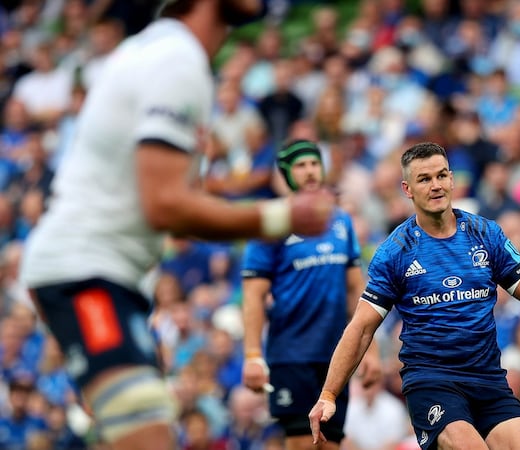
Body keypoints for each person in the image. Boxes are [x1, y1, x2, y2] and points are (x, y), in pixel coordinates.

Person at [18, 2, 336, 450]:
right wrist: (285, 216)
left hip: (99, 276)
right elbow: (166, 207)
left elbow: (176, 202)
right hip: (85, 276)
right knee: (150, 439)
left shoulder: (151, 51)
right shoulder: (178, 60)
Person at [309, 142, 520, 450]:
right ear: (407, 189)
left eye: (441, 176)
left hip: (488, 381)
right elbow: (362, 327)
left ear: (452, 180)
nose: (436, 186)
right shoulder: (395, 252)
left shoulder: (486, 234)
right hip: (432, 384)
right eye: (424, 179)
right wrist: (328, 395)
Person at [241, 139, 381, 450]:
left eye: (314, 163)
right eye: (301, 165)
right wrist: (252, 356)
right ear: (287, 174)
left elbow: (357, 291)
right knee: (304, 443)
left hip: (336, 356)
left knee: (330, 444)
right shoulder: (271, 225)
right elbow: (253, 296)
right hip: (292, 355)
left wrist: (369, 352)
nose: (310, 171)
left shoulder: (341, 222)